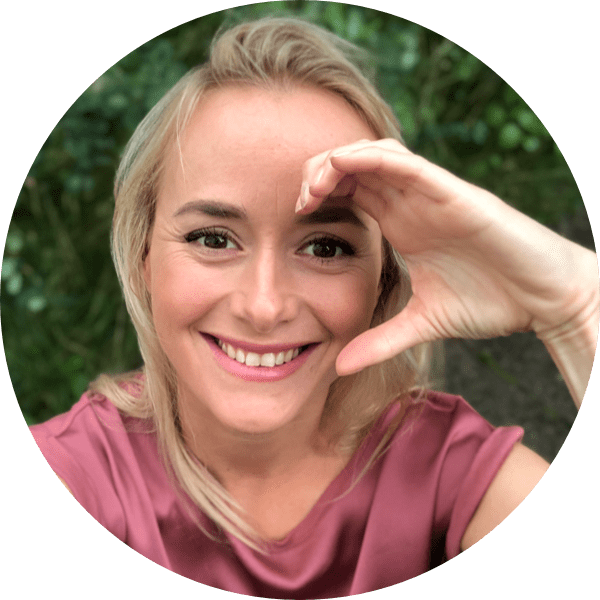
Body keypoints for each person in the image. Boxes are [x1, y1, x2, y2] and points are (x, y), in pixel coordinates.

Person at [29, 17, 598, 598]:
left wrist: (576, 307)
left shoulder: (444, 471)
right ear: (144, 257)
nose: (264, 306)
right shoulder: (75, 475)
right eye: (213, 239)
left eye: (325, 247)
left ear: (382, 281)